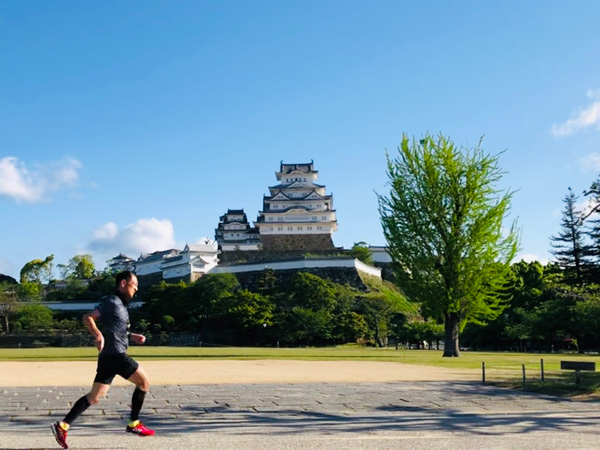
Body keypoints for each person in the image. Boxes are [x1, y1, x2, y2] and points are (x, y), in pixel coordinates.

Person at [51, 270, 154, 449]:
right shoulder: (112, 302)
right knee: (143, 383)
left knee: (94, 396)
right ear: (123, 283)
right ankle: (134, 423)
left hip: (107, 357)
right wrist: (97, 333)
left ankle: (63, 426)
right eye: (133, 285)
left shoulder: (121, 305)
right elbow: (88, 317)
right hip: (116, 355)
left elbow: (117, 332)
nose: (136, 289)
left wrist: (132, 336)